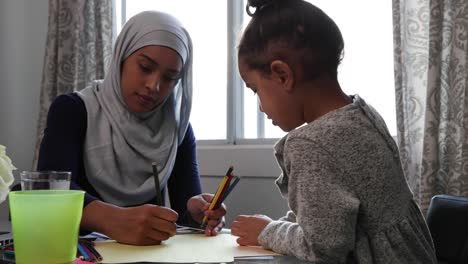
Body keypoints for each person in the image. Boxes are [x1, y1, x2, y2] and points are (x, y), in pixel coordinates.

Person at [230, 0, 438, 263]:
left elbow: (324, 248)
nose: (260, 107)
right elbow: (329, 213)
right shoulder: (363, 114)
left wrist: (267, 232)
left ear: (282, 75)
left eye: (255, 90)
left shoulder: (310, 145)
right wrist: (279, 228)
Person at [36, 10, 226, 246]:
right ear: (121, 57)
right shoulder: (73, 110)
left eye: (169, 78)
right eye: (145, 67)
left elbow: (183, 215)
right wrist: (112, 219)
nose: (154, 86)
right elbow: (51, 190)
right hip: (78, 253)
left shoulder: (176, 129)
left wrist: (197, 213)